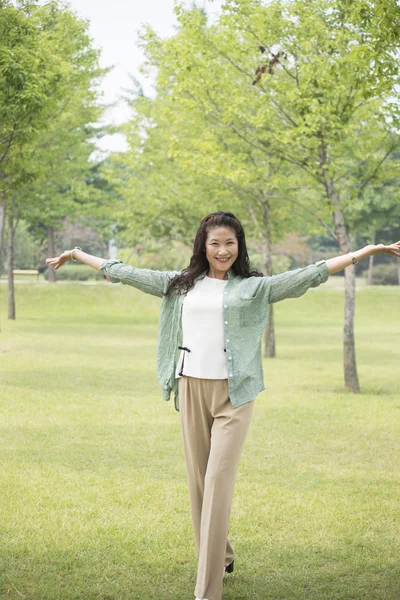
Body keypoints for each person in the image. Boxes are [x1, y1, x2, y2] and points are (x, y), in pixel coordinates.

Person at [46, 212, 400, 600]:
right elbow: (125, 271)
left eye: (230, 242)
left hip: (235, 395)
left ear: (239, 245)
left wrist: (365, 251)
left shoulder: (254, 287)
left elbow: (310, 274)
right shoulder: (179, 285)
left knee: (216, 482)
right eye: (215, 243)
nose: (222, 250)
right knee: (198, 484)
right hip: (192, 387)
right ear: (203, 245)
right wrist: (78, 254)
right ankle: (223, 553)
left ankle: (207, 591)